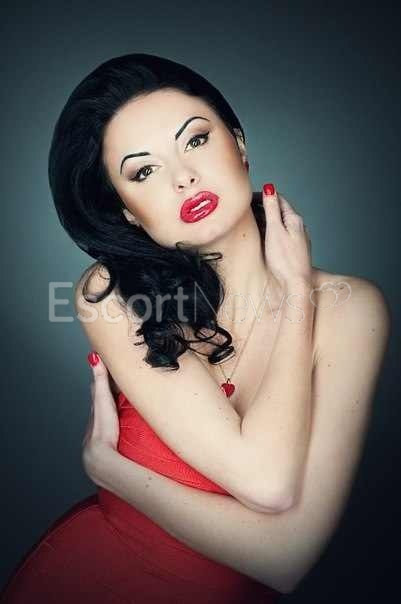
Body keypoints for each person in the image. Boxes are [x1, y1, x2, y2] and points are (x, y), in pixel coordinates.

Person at [0, 53, 390, 603]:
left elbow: (285, 554)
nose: (183, 176)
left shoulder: (353, 309)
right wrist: (297, 297)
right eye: (144, 171)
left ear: (239, 144)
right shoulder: (112, 295)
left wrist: (110, 470)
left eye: (196, 140)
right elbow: (266, 484)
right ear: (126, 210)